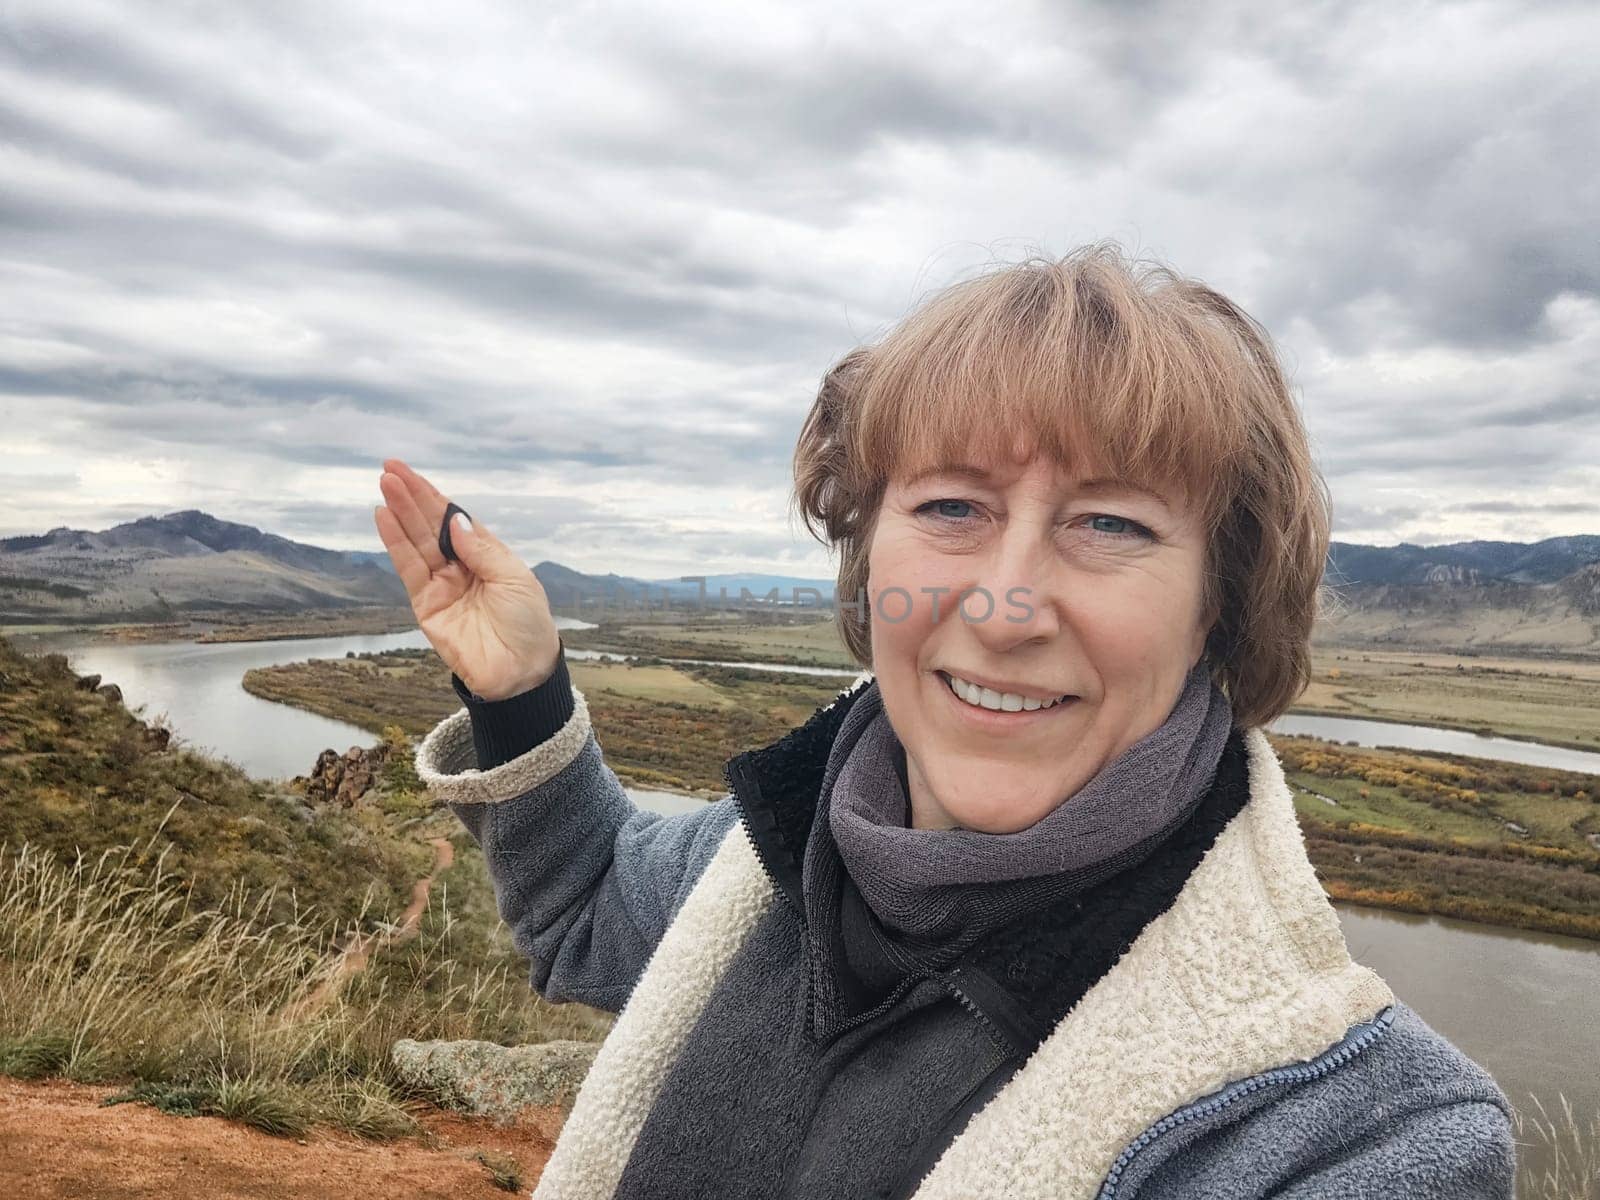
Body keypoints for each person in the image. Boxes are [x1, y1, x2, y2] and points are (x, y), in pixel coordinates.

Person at [374, 243, 1517, 1199]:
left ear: (1219, 602)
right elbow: (583, 913)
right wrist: (520, 689)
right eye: (951, 506)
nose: (1005, 604)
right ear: (869, 559)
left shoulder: (1356, 1134)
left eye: (1111, 524)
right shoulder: (769, 856)